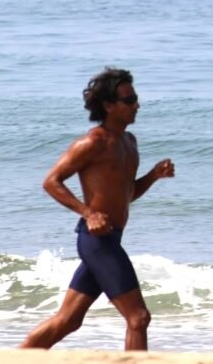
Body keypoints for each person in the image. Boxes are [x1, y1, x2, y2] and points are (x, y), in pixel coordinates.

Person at [21, 67, 175, 351]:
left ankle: (16, 358)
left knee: (68, 320)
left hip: (110, 238)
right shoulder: (92, 142)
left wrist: (153, 176)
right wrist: (88, 212)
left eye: (135, 98)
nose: (136, 105)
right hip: (97, 241)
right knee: (138, 318)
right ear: (108, 105)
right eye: (128, 100)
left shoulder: (129, 142)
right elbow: (51, 182)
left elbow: (126, 195)